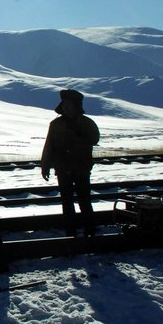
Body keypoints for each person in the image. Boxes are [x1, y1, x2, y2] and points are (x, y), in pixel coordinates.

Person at [41, 89, 100, 238]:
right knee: (67, 202)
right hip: (63, 168)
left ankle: (90, 230)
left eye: (70, 105)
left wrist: (79, 134)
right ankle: (70, 231)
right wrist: (45, 165)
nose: (68, 108)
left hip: (81, 168)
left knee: (84, 201)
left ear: (76, 106)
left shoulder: (86, 123)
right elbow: (49, 146)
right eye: (65, 105)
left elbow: (94, 139)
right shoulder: (55, 124)